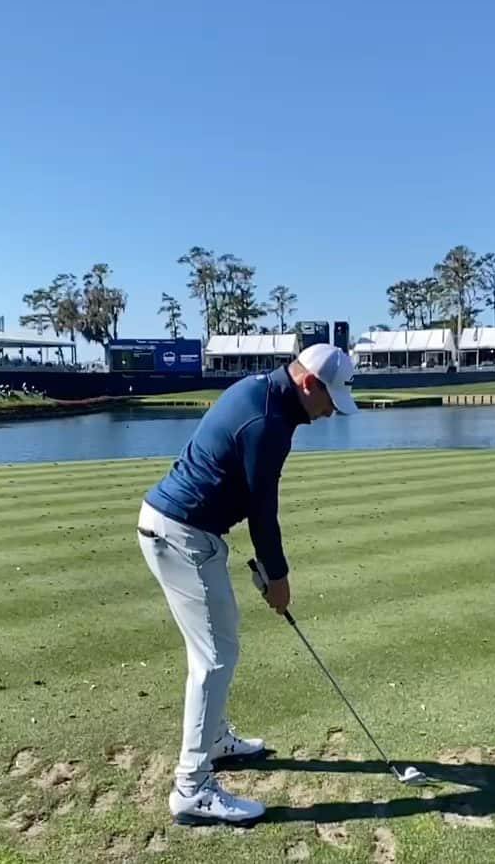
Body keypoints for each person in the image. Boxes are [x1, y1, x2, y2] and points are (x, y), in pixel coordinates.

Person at [137, 343, 358, 826]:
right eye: (328, 401)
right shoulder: (268, 422)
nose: (329, 413)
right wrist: (278, 579)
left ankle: (214, 739)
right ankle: (191, 788)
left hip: (187, 531)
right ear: (307, 384)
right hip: (180, 533)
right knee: (215, 655)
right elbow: (263, 513)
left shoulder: (267, 395)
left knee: (221, 639)